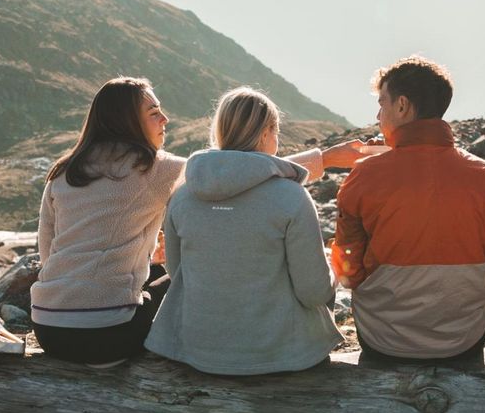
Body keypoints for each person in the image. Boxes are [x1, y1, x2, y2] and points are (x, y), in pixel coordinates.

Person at [146, 88, 368, 375]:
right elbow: (313, 292)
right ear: (265, 134)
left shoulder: (183, 196)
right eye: (276, 131)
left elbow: (178, 275)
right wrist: (336, 270)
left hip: (199, 351)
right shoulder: (291, 197)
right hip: (280, 356)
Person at [331, 56, 485, 363]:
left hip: (385, 340)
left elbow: (348, 276)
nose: (378, 116)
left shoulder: (364, 176)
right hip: (463, 339)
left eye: (382, 104)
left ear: (402, 106)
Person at [29, 77, 184, 365]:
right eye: (154, 113)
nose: (165, 119)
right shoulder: (154, 166)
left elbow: (47, 252)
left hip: (47, 328)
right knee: (178, 278)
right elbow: (221, 176)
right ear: (127, 122)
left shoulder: (63, 170)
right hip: (108, 336)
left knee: (153, 273)